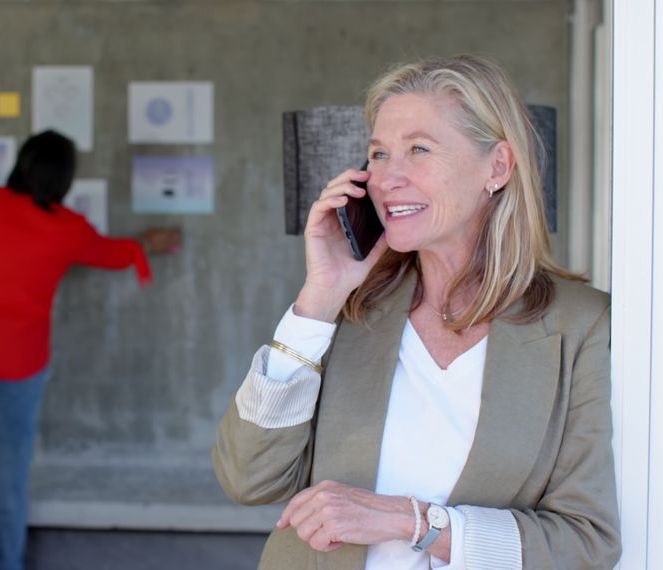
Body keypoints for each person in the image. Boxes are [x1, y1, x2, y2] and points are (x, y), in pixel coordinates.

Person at [212, 55, 620, 569]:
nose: (387, 179)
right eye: (378, 154)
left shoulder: (580, 326)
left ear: (497, 166)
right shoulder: (347, 311)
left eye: (418, 150)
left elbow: (586, 544)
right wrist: (318, 299)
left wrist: (413, 521)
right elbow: (248, 477)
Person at [0, 130, 180, 570]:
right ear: (64, 180)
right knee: (9, 483)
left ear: (21, 164)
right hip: (19, 364)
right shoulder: (67, 229)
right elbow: (113, 254)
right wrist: (148, 243)